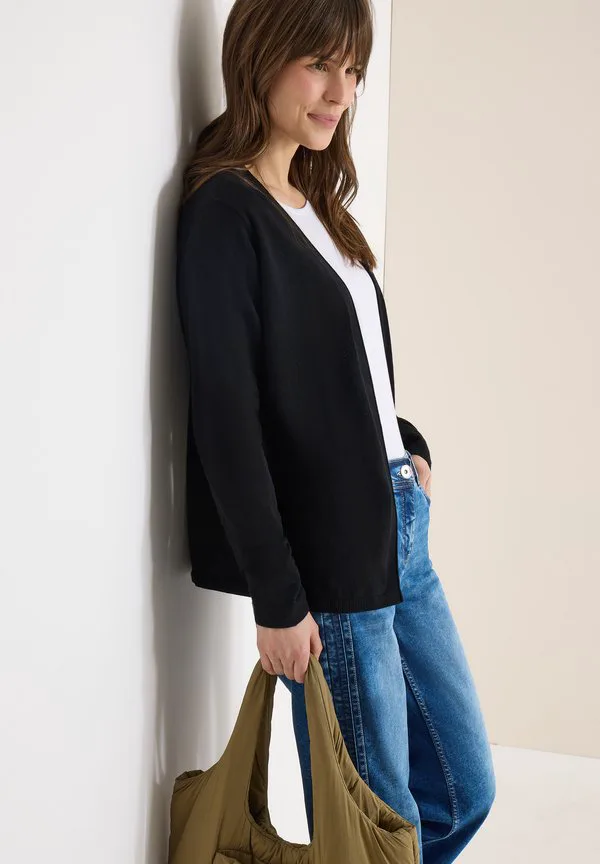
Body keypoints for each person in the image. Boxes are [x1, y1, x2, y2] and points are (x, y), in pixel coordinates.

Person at [175, 0, 496, 859]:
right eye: (320, 64)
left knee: (464, 790)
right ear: (262, 55)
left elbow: (340, 375)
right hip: (329, 561)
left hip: (398, 523)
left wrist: (409, 443)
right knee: (372, 822)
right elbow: (229, 415)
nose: (341, 93)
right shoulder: (226, 212)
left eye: (352, 72)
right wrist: (279, 598)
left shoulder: (316, 202)